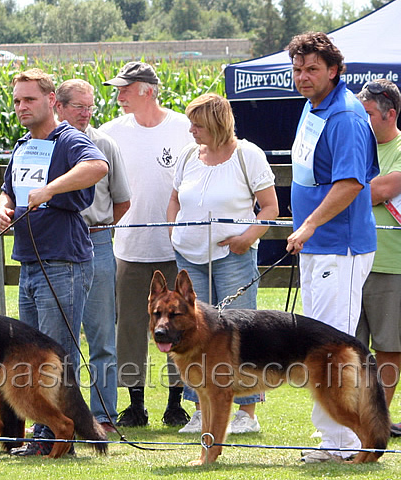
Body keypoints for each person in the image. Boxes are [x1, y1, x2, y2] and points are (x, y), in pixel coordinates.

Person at [0, 68, 108, 455]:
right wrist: (2, 207)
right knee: (31, 357)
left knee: (58, 353)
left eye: (29, 99)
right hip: (28, 262)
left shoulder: (69, 139)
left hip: (64, 261)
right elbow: (8, 190)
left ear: (51, 102)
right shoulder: (24, 145)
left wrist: (50, 189)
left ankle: (63, 436)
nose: (21, 107)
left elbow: (97, 167)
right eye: (16, 100)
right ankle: (45, 431)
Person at [285, 32, 378, 463]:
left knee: (329, 350)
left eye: (312, 70)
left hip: (337, 247)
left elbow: (351, 183)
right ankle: (337, 440)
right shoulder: (313, 105)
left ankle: (339, 446)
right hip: (317, 244)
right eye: (298, 69)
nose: (303, 77)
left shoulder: (345, 116)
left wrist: (307, 225)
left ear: (334, 71)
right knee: (319, 345)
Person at [167, 93, 279, 435]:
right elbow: (174, 199)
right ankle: (201, 410)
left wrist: (247, 237)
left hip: (234, 257)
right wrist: (174, 231)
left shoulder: (248, 155)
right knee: (194, 332)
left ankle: (247, 412)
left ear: (217, 125)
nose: (191, 130)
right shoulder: (188, 155)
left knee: (240, 332)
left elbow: (271, 208)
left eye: (197, 124)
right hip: (189, 257)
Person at [99, 61, 193, 427]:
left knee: (180, 325)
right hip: (128, 247)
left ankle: (175, 402)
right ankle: (134, 403)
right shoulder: (110, 132)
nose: (119, 95)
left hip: (176, 248)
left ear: (148, 90)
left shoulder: (183, 129)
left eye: (125, 88)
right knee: (129, 328)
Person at [54, 79, 131, 433]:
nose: (85, 114)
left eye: (89, 108)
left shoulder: (105, 145)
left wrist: (96, 230)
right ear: (59, 106)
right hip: (54, 245)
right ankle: (60, 417)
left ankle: (103, 416)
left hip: (96, 241)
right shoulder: (42, 144)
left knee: (101, 335)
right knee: (55, 338)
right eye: (78, 107)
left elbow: (122, 200)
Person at [355, 79, 401, 437]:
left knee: (388, 347)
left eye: (368, 113)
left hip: (391, 265)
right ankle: (355, 419)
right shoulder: (358, 145)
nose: (363, 119)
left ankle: (378, 421)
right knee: (350, 347)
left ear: (390, 114)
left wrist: (345, 189)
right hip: (353, 259)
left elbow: (377, 191)